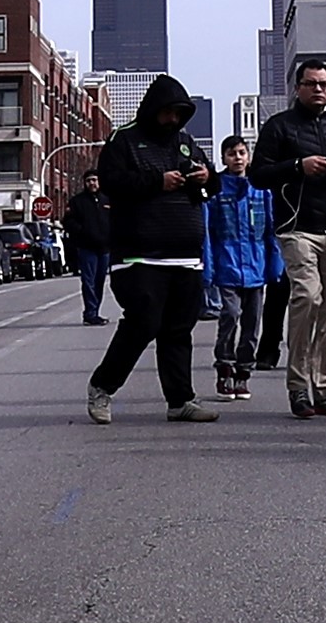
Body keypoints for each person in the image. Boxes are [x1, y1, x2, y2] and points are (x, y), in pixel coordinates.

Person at [86, 77, 220, 422]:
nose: (173, 120)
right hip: (138, 254)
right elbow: (111, 182)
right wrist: (157, 182)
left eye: (179, 114)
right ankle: (102, 386)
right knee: (143, 322)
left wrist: (207, 178)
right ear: (152, 109)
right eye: (167, 112)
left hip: (186, 255)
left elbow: (212, 187)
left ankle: (180, 400)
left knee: (179, 329)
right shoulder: (124, 139)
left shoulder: (186, 142)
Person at [253, 54, 326, 415]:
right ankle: (299, 386)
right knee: (306, 297)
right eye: (311, 84)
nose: (318, 89)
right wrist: (297, 166)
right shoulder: (279, 127)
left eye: (323, 84)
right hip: (297, 228)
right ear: (298, 88)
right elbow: (258, 174)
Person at [204, 133, 276, 395]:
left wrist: (275, 264)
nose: (237, 158)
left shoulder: (261, 189)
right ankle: (224, 367)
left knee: (252, 323)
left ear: (249, 156)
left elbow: (271, 230)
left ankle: (244, 371)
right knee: (230, 315)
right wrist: (208, 268)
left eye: (242, 153)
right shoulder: (216, 189)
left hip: (256, 267)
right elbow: (208, 232)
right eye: (232, 154)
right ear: (224, 158)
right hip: (227, 265)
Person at [64, 169, 113, 326]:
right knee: (88, 281)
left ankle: (95, 312)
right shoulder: (77, 202)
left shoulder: (107, 200)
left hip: (104, 249)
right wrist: (82, 232)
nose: (92, 183)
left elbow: (116, 220)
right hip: (86, 248)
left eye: (94, 180)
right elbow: (68, 222)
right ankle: (90, 313)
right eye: (88, 180)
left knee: (99, 282)